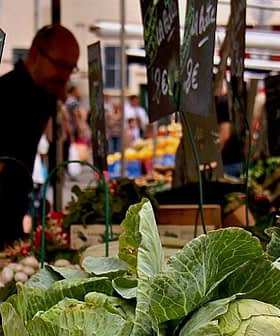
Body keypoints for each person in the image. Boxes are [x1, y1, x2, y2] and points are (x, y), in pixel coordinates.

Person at [0, 24, 79, 249]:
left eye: (70, 68)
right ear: (35, 54)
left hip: (15, 214)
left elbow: (61, 94)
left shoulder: (45, 91)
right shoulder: (6, 94)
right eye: (60, 65)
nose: (64, 74)